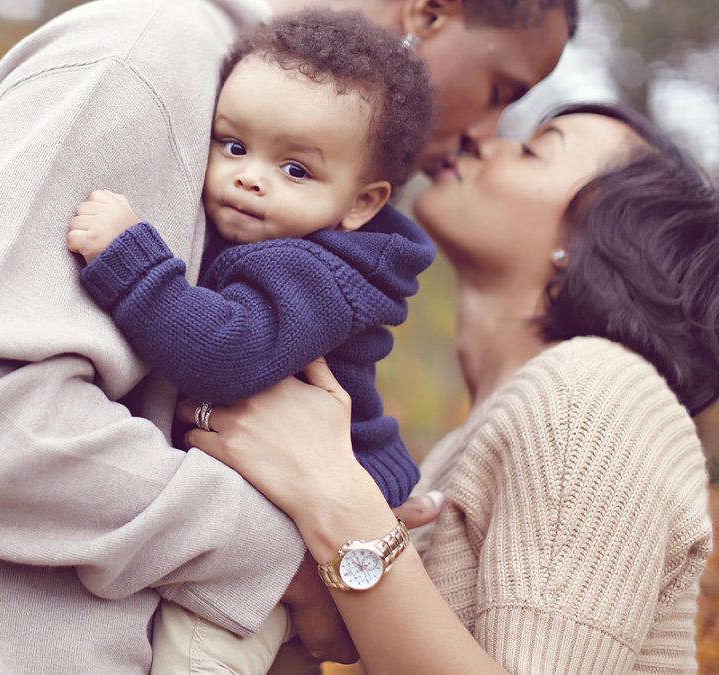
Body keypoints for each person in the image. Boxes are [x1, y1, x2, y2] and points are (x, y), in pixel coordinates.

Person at [0, 0, 579, 672]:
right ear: (431, 14)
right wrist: (289, 555)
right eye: (503, 91)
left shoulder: (283, 168)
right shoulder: (148, 58)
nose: (484, 132)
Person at [184, 101, 718, 673]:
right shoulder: (478, 438)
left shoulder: (593, 395)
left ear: (597, 239)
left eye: (534, 149)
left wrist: (331, 492)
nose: (480, 140)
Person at [66, 10, 434, 673]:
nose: (250, 176)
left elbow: (227, 351)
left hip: (298, 523)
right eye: (233, 146)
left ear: (361, 202)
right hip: (272, 516)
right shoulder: (282, 242)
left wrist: (131, 260)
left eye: (295, 168)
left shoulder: (314, 271)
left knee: (194, 653)